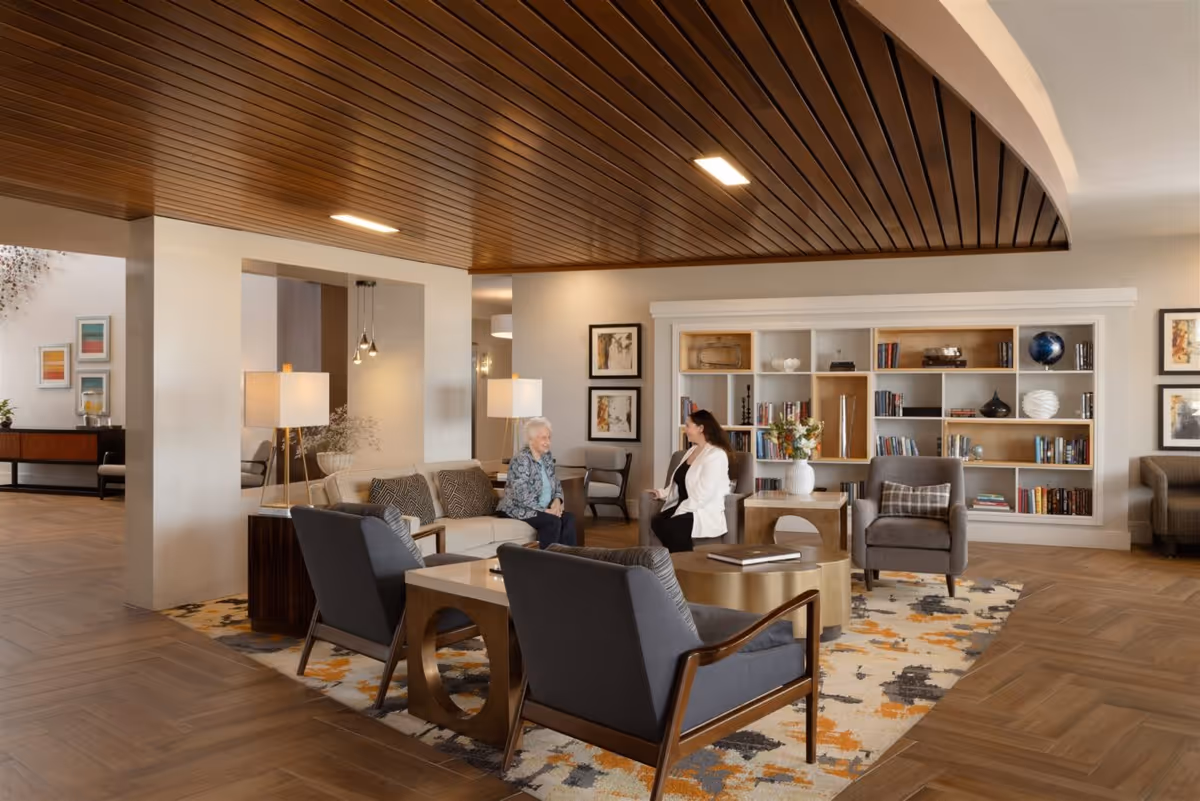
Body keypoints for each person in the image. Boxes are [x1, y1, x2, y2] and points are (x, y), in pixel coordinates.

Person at [650, 409, 732, 552]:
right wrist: (661, 493)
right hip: (683, 504)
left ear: (701, 428)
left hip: (700, 509)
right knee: (657, 521)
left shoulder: (716, 455)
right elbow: (678, 480)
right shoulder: (691, 451)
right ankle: (676, 560)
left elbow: (704, 495)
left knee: (672, 525)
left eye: (688, 425)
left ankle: (683, 562)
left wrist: (681, 510)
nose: (685, 429)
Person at [496, 417, 578, 549]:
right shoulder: (521, 459)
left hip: (541, 507)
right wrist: (546, 511)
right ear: (531, 440)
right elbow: (521, 495)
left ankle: (570, 561)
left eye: (549, 437)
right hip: (517, 508)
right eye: (543, 438)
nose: (548, 442)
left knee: (569, 518)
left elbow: (555, 482)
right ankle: (546, 563)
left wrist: (557, 501)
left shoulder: (547, 457)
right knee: (552, 522)